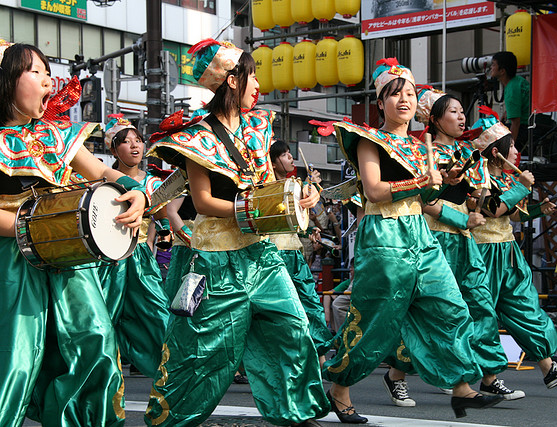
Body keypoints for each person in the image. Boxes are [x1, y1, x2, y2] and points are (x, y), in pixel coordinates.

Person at [143, 38, 328, 427]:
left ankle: (295, 411)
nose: (257, 83)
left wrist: (297, 197)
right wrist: (255, 211)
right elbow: (205, 201)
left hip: (261, 254)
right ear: (231, 80)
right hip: (217, 257)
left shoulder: (259, 126)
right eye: (251, 74)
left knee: (291, 327)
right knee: (206, 351)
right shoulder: (195, 137)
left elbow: (268, 187)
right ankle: (172, 418)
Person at [323, 57, 504, 421]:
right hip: (384, 237)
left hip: (420, 235)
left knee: (449, 305)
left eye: (409, 93)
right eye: (394, 94)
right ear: (380, 103)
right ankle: (340, 386)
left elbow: (425, 200)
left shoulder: (423, 148)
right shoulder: (367, 140)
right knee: (376, 320)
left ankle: (461, 387)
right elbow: (374, 191)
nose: (403, 100)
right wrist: (421, 182)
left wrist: (446, 182)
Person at [0, 41, 146, 426]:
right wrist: (29, 227)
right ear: (6, 81)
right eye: (36, 72)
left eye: (48, 72)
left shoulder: (55, 135)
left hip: (68, 260)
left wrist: (132, 189)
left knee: (95, 341)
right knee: (14, 361)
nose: (49, 81)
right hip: (12, 263)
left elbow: (100, 172)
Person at [417, 88, 525, 400]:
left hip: (466, 242)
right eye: (453, 112)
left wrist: (509, 194)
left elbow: (482, 201)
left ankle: (490, 376)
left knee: (481, 305)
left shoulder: (469, 155)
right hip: (434, 239)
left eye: (463, 111)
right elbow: (423, 202)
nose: (463, 116)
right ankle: (398, 372)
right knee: (432, 311)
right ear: (435, 119)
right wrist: (462, 218)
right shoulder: (421, 152)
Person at [468, 106, 557, 389]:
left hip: (507, 250)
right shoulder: (478, 175)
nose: (517, 151)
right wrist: (521, 186)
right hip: (483, 253)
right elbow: (495, 209)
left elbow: (515, 214)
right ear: (496, 151)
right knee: (483, 314)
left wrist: (539, 209)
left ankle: (549, 367)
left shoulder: (506, 177)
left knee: (524, 305)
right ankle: (487, 377)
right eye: (512, 146)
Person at [98, 115, 172, 378]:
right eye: (126, 141)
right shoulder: (101, 182)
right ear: (112, 148)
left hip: (140, 258)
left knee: (158, 316)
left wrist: (170, 235)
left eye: (138, 140)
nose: (134, 146)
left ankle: (169, 378)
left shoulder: (153, 182)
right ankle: (102, 379)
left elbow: (164, 220)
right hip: (106, 259)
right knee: (100, 320)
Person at [268, 139, 334, 355]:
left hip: (296, 254)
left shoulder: (297, 187)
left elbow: (321, 223)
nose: (290, 158)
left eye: (290, 153)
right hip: (272, 255)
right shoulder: (264, 187)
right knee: (279, 312)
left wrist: (313, 194)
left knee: (311, 305)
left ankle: (321, 359)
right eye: (285, 155)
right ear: (273, 162)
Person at [489, 51, 530, 153]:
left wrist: (509, 149)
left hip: (523, 129)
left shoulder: (511, 89)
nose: (491, 68)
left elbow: (516, 123)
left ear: (502, 71)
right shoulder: (519, 81)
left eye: (493, 64)